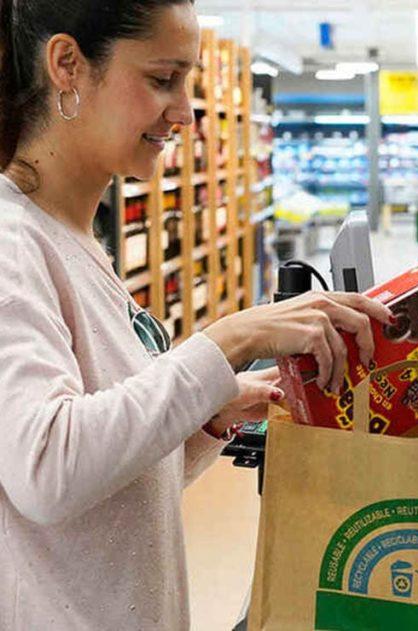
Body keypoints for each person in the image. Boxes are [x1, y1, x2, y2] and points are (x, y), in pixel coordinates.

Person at [0, 2, 391, 628]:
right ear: (67, 65)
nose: (185, 111)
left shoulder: (74, 240)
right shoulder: (13, 244)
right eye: (163, 79)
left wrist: (211, 415)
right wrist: (228, 339)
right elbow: (48, 470)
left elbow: (112, 487)